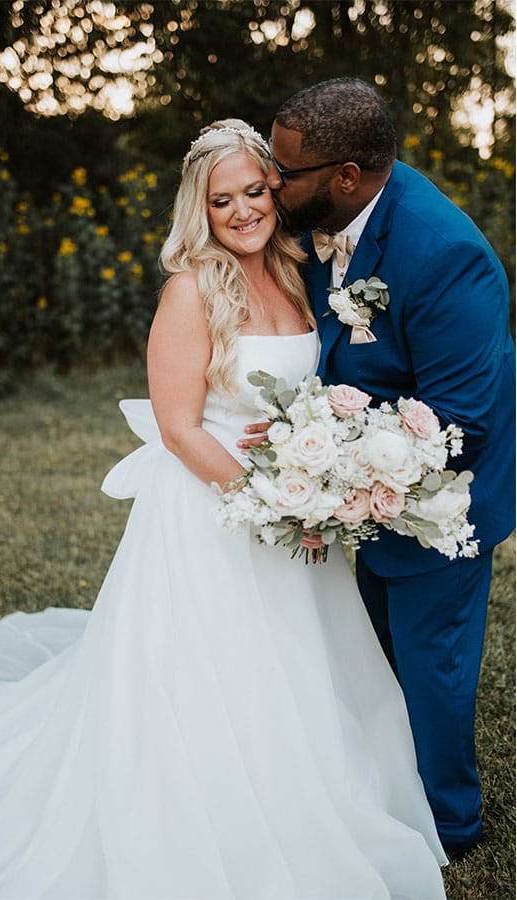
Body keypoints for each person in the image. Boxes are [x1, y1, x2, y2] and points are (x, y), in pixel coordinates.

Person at [0, 120, 448, 899]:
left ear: (277, 190)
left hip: (297, 512)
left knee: (305, 668)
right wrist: (270, 500)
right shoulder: (192, 288)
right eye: (222, 199)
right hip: (216, 514)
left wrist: (323, 458)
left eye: (255, 192)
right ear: (201, 209)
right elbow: (178, 426)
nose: (242, 211)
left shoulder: (302, 271)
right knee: (213, 681)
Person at [239, 78, 516, 859]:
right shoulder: (322, 218)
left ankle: (450, 825)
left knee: (432, 663)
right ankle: (375, 785)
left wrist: (325, 458)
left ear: (346, 176)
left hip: (441, 496)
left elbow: (464, 419)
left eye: (284, 171)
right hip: (357, 482)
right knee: (374, 646)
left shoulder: (444, 254)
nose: (269, 180)